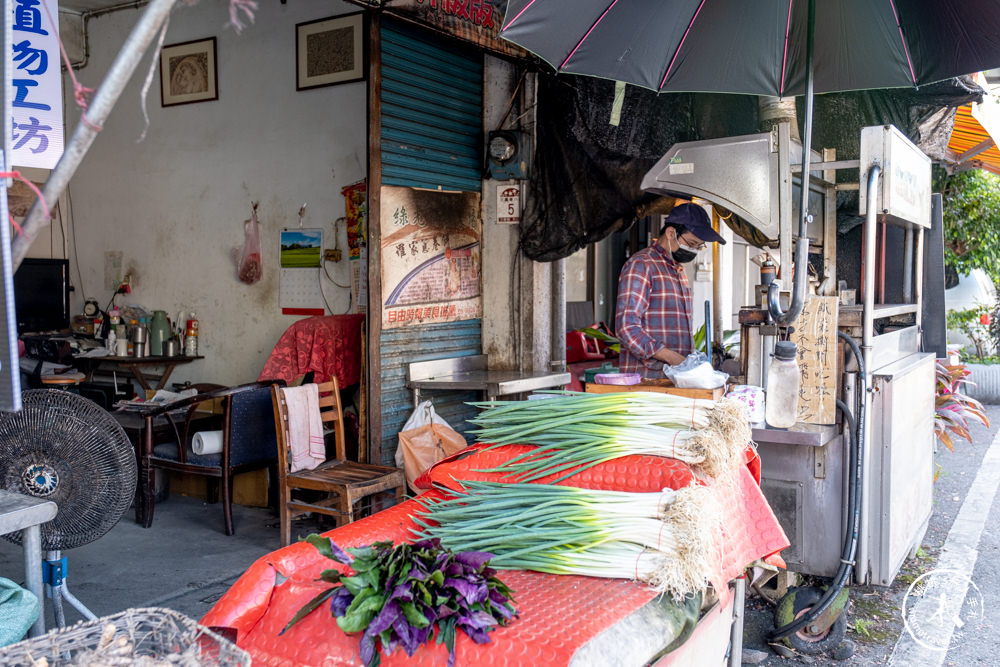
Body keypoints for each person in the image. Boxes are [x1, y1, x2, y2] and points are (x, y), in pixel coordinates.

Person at [615, 203, 726, 379]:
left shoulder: (678, 270)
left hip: (674, 379)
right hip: (647, 381)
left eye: (699, 246)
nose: (694, 250)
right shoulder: (642, 265)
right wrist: (674, 359)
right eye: (691, 243)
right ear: (670, 233)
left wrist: (690, 363)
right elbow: (627, 328)